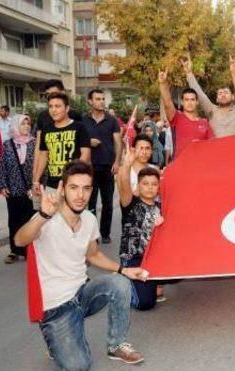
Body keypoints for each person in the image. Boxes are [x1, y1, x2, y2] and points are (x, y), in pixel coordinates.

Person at [14, 161, 147, 371]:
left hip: (82, 294)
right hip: (56, 306)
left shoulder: (89, 219)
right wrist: (43, 215)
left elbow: (93, 254)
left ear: (91, 190)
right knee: (77, 368)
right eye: (74, 187)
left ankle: (116, 345)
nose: (80, 195)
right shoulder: (48, 218)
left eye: (86, 188)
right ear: (63, 189)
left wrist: (123, 270)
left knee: (119, 283)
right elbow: (20, 240)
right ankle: (54, 340)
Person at [118, 140, 164, 310]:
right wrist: (126, 165)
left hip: (152, 257)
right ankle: (122, 283)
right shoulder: (131, 203)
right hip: (134, 258)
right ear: (138, 185)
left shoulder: (160, 207)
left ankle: (153, 282)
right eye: (145, 184)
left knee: (178, 274)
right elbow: (123, 187)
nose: (150, 188)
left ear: (159, 187)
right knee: (145, 303)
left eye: (154, 184)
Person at [32, 93, 91, 196]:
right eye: (50, 106)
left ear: (67, 108)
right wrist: (36, 180)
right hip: (52, 184)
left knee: (74, 212)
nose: (53, 110)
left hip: (74, 184)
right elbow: (43, 156)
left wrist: (72, 176)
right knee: (53, 212)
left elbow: (85, 154)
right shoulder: (46, 129)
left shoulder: (80, 127)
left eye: (57, 106)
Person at [84, 89, 122, 245]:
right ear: (90, 101)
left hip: (107, 167)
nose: (101, 101)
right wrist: (88, 142)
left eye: (102, 99)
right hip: (89, 167)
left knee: (107, 203)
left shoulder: (111, 120)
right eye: (97, 99)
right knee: (90, 203)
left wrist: (117, 162)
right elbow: (78, 141)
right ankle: (92, 235)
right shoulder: (83, 120)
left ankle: (105, 233)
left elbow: (118, 143)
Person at [0, 114, 35, 263]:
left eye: (28, 124)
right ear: (16, 126)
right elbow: (2, 166)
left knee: (30, 220)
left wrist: (39, 185)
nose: (26, 126)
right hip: (13, 189)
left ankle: (29, 250)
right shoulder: (7, 144)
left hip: (30, 190)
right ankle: (14, 250)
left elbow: (41, 166)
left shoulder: (34, 143)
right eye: (23, 124)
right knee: (14, 220)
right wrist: (3, 185)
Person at [182, 55, 235, 137]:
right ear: (217, 99)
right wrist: (189, 74)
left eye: (226, 92)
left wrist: (233, 72)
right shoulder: (212, 111)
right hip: (216, 149)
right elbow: (200, 94)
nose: (223, 95)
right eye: (220, 93)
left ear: (233, 97)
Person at [159, 70, 214, 159]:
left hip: (199, 164)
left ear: (197, 102)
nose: (190, 102)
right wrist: (163, 83)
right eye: (187, 100)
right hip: (180, 164)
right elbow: (167, 102)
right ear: (182, 102)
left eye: (192, 100)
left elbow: (212, 144)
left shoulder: (204, 123)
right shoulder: (176, 117)